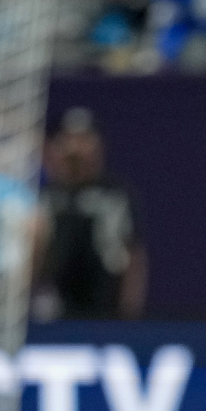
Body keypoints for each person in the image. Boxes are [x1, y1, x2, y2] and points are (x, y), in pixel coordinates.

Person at [33, 108, 146, 321]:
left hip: (104, 304)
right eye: (68, 139)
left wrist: (130, 312)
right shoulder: (47, 196)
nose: (76, 148)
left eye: (84, 140)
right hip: (55, 306)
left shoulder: (115, 193)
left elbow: (134, 255)